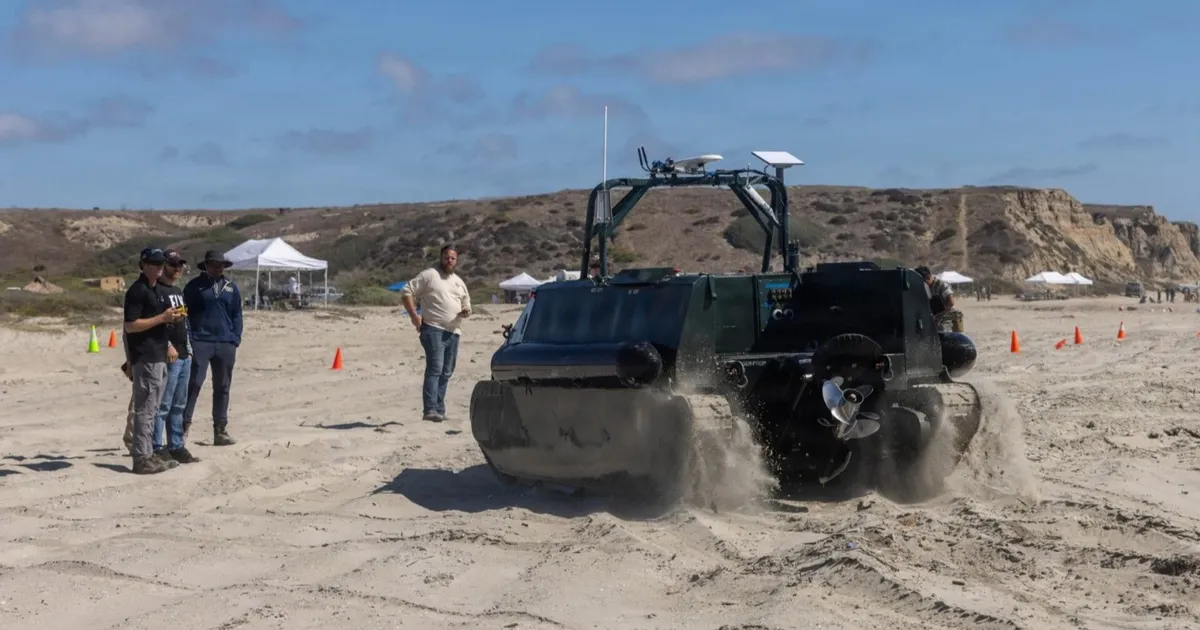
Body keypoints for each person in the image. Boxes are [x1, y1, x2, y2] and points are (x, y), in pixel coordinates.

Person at [123, 247, 186, 474]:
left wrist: (170, 319)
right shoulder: (138, 290)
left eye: (162, 264)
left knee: (154, 408)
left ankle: (148, 453)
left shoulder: (155, 290)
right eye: (156, 264)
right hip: (146, 356)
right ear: (144, 265)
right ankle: (141, 457)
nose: (160, 268)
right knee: (146, 408)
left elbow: (157, 321)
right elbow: (130, 325)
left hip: (158, 355)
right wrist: (162, 318)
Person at [401, 244, 471, 422]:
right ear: (441, 258)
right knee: (435, 368)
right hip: (433, 329)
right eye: (446, 257)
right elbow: (407, 291)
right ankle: (430, 409)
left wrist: (466, 311)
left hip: (454, 332)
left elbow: (466, 303)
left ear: (457, 260)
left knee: (446, 372)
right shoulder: (430, 275)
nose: (449, 260)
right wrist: (414, 317)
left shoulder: (459, 282)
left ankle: (439, 409)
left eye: (453, 258)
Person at [183, 249, 243, 446]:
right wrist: (190, 337)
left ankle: (220, 429)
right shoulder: (194, 286)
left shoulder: (231, 288)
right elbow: (185, 313)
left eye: (221, 265)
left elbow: (237, 313)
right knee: (194, 383)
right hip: (201, 341)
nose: (218, 268)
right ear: (206, 265)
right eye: (214, 264)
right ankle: (182, 427)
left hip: (226, 342)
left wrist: (236, 337)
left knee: (223, 386)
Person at [152, 249, 200, 463]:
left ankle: (176, 445)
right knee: (163, 404)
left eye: (180, 265)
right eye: (173, 265)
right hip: (167, 355)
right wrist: (167, 345)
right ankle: (156, 446)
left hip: (183, 354)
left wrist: (188, 349)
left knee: (178, 405)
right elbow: (155, 323)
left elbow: (183, 321)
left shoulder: (178, 291)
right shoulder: (156, 291)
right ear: (163, 266)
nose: (177, 269)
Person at [916, 266, 961, 332]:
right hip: (933, 320)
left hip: (945, 320)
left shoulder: (942, 285)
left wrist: (937, 314)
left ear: (928, 278)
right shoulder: (925, 288)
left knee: (943, 334)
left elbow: (950, 303)